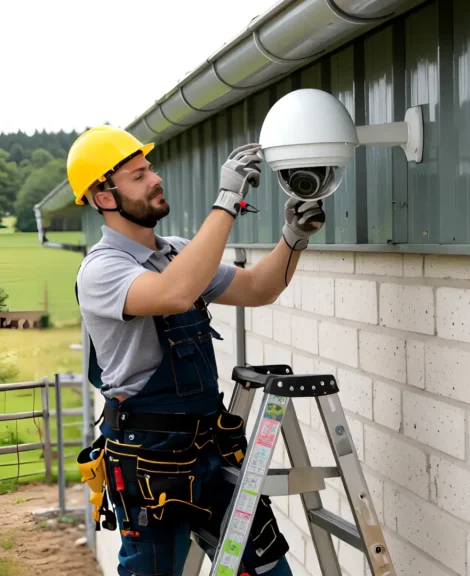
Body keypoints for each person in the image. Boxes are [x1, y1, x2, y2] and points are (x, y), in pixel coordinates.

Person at [71, 125, 325, 576]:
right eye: (138, 176)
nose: (155, 179)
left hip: (212, 449)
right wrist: (227, 201)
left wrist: (293, 237)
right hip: (151, 461)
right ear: (104, 197)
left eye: (150, 169)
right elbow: (173, 294)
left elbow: (259, 288)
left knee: (268, 568)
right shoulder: (102, 270)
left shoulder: (178, 254)